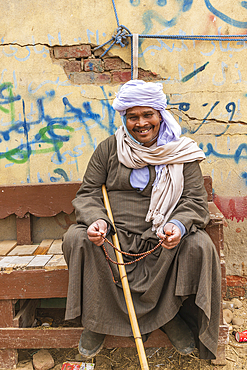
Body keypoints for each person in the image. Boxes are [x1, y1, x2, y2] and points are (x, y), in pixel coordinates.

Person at [62, 80, 221, 361]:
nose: (141, 123)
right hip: (115, 237)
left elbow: (195, 200)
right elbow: (87, 194)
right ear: (124, 118)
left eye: (148, 115)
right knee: (76, 238)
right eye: (132, 116)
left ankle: (169, 316)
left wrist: (179, 226)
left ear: (160, 115)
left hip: (162, 237)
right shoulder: (109, 149)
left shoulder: (181, 153)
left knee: (199, 246)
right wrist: (97, 221)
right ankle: (97, 322)